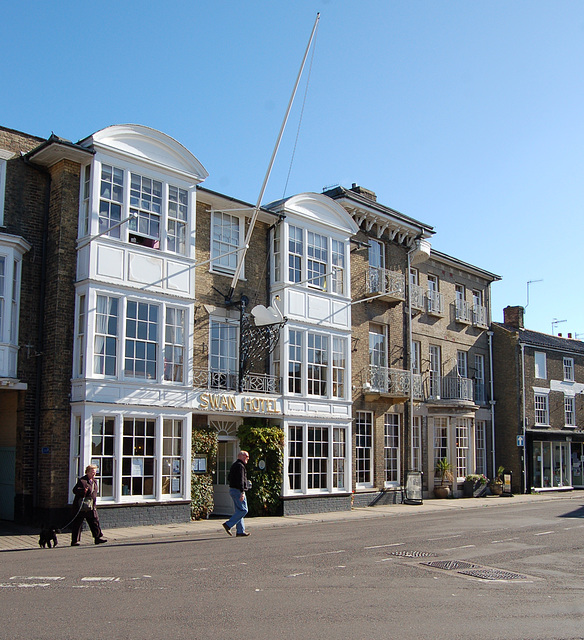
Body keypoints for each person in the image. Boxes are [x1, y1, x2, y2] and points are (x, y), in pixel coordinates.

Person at [70, 464, 107, 546]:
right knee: (78, 524)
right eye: (92, 472)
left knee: (94, 522)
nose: (94, 474)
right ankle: (74, 541)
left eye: (95, 472)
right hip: (82, 506)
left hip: (91, 506)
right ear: (87, 472)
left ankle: (97, 538)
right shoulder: (82, 481)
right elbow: (75, 490)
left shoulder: (94, 481)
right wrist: (83, 491)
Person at [222, 451, 251, 537]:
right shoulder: (240, 466)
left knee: (239, 510)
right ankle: (228, 524)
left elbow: (229, 478)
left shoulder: (234, 465)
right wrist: (242, 492)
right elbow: (241, 480)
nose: (248, 458)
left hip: (233, 490)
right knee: (244, 510)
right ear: (242, 456)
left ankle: (240, 531)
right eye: (247, 456)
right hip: (238, 490)